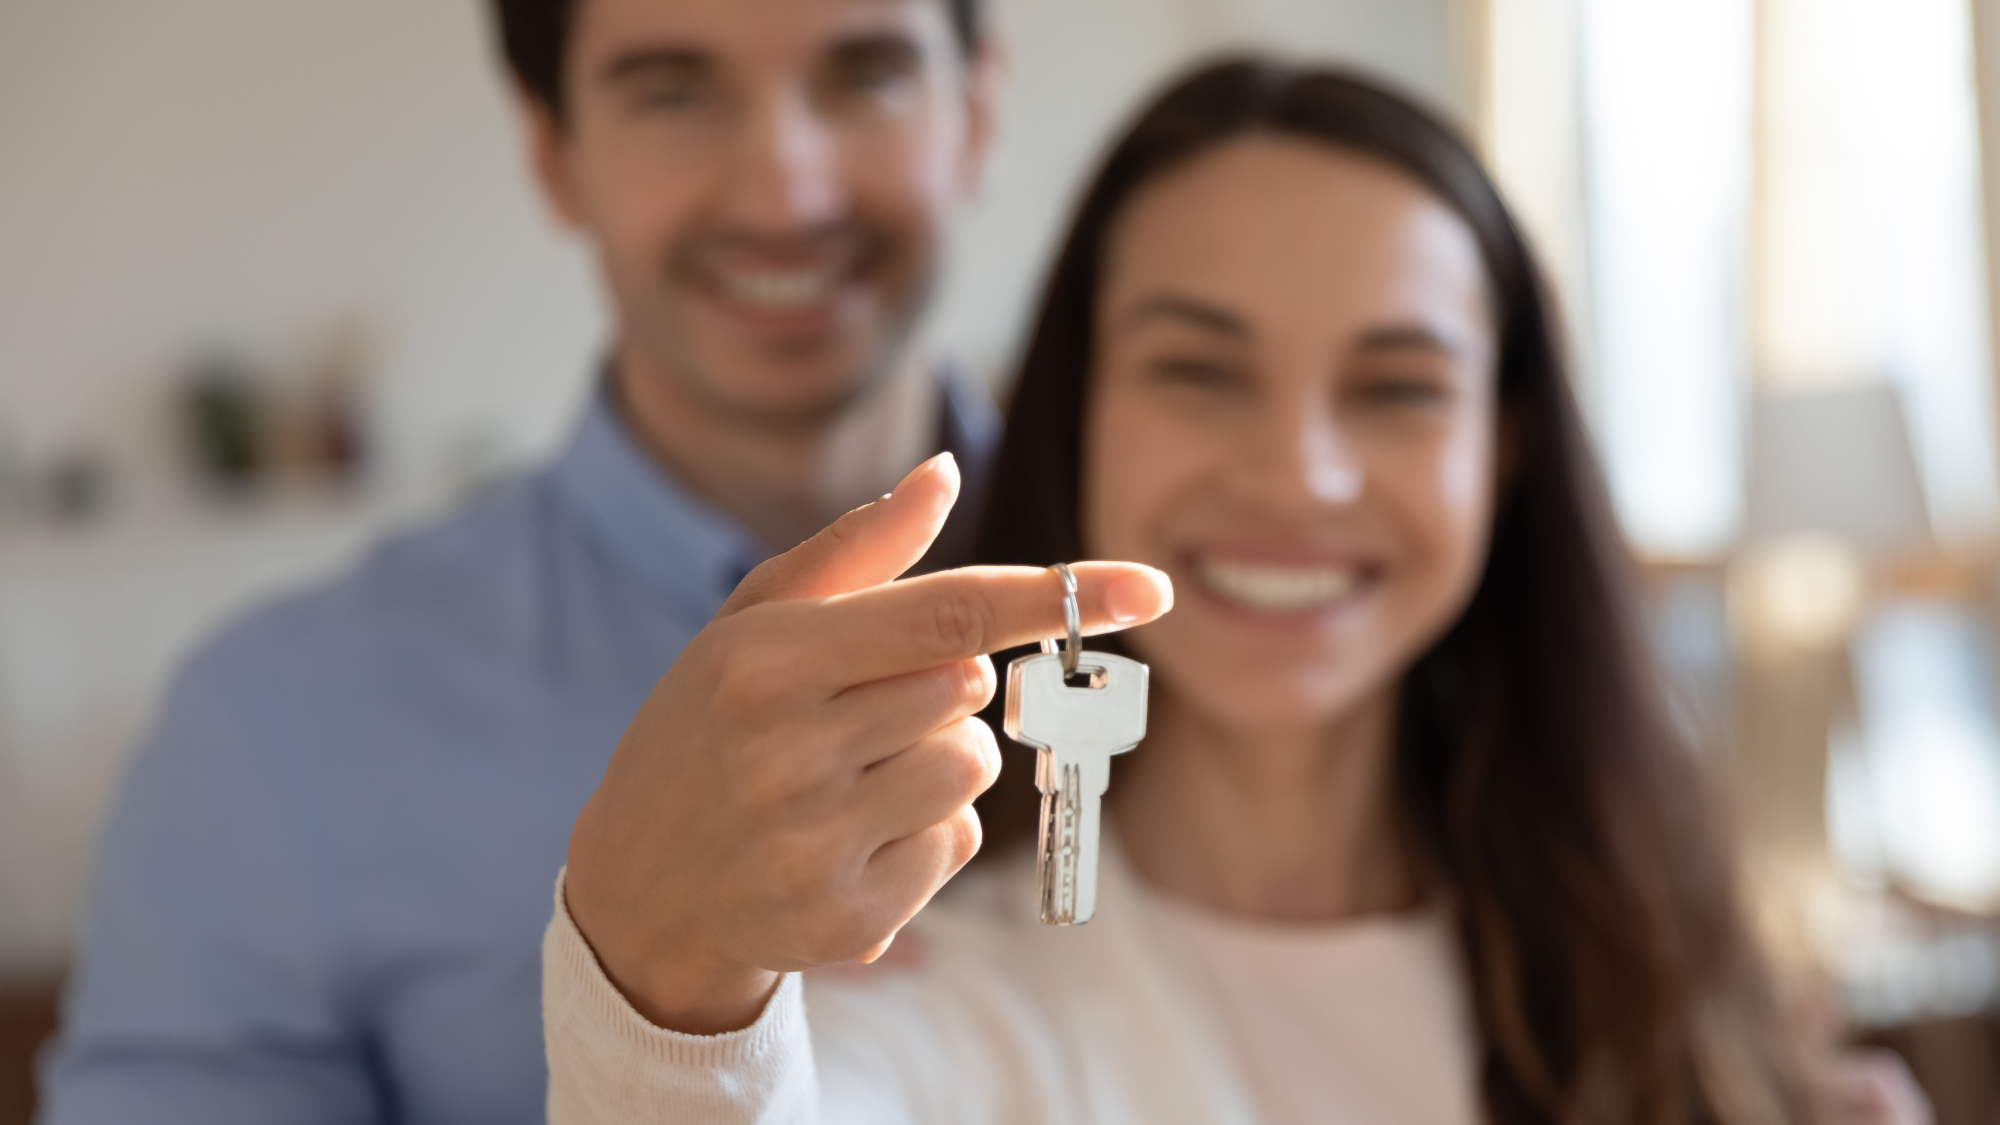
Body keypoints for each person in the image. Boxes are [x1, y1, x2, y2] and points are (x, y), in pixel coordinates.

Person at [538, 59, 1904, 1124]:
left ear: (1505, 449)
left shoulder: (1649, 949)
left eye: (1397, 387)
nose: (1299, 475)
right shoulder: (919, 992)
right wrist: (667, 997)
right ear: (1079, 419)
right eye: (1199, 369)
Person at [38, 1, 1002, 1121]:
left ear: (975, 113)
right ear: (553, 152)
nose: (783, 191)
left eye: (863, 77)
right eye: (673, 92)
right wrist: (643, 992)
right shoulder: (270, 729)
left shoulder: (1207, 622)